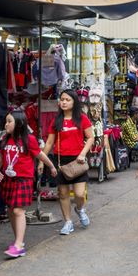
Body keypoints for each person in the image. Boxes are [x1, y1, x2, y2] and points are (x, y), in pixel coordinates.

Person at [0, 111, 57, 258]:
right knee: (10, 209)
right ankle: (18, 240)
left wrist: (51, 166)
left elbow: (40, 154)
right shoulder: (5, 139)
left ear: (19, 123)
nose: (6, 124)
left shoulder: (29, 140)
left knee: (18, 211)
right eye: (6, 121)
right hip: (9, 179)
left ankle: (18, 245)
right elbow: (1, 155)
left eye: (9, 121)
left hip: (24, 179)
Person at [42, 89, 95, 235]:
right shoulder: (56, 121)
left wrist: (83, 154)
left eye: (67, 100)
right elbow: (49, 143)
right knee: (63, 194)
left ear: (74, 102)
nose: (64, 102)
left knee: (79, 194)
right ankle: (68, 222)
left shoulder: (82, 118)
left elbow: (91, 137)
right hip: (61, 161)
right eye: (62, 99)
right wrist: (41, 161)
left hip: (78, 161)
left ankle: (80, 209)